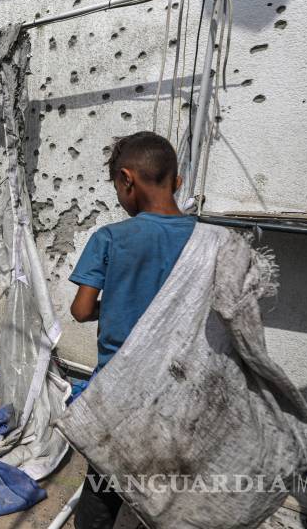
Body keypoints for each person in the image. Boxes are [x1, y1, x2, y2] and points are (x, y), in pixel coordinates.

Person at [68, 131, 196, 529]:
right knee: (160, 486)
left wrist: (120, 302)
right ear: (176, 182)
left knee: (102, 486)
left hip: (118, 390)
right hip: (179, 390)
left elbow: (81, 310)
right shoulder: (208, 239)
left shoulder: (109, 238)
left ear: (127, 180)